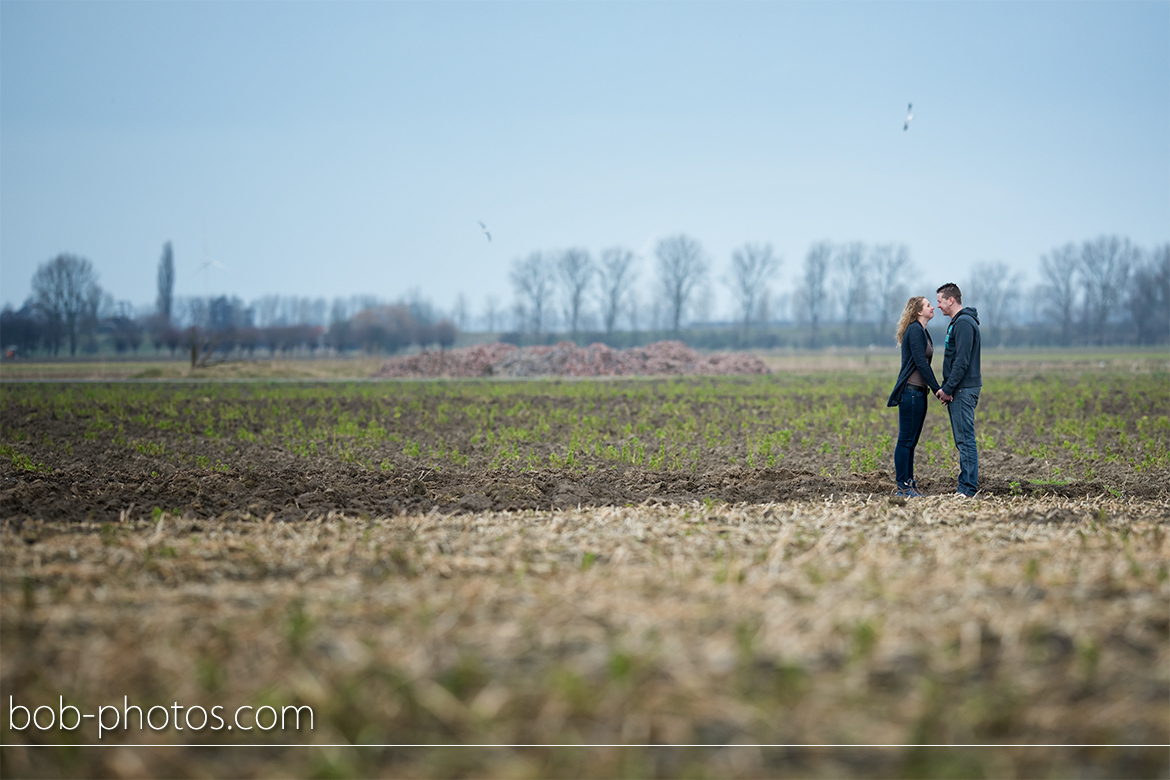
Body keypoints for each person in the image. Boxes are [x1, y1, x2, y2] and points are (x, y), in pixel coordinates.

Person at [887, 296, 941, 497]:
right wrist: (937, 389)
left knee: (912, 442)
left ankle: (909, 484)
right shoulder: (915, 331)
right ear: (919, 311)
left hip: (919, 393)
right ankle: (903, 486)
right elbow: (921, 363)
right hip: (910, 394)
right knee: (905, 441)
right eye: (928, 305)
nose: (932, 307)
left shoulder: (922, 331)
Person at [935, 282, 982, 498]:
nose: (938, 306)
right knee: (962, 439)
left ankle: (967, 489)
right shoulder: (958, 322)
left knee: (965, 439)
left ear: (951, 300)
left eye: (940, 301)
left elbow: (961, 361)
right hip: (960, 388)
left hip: (962, 390)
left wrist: (948, 388)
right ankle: (965, 486)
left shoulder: (963, 323)